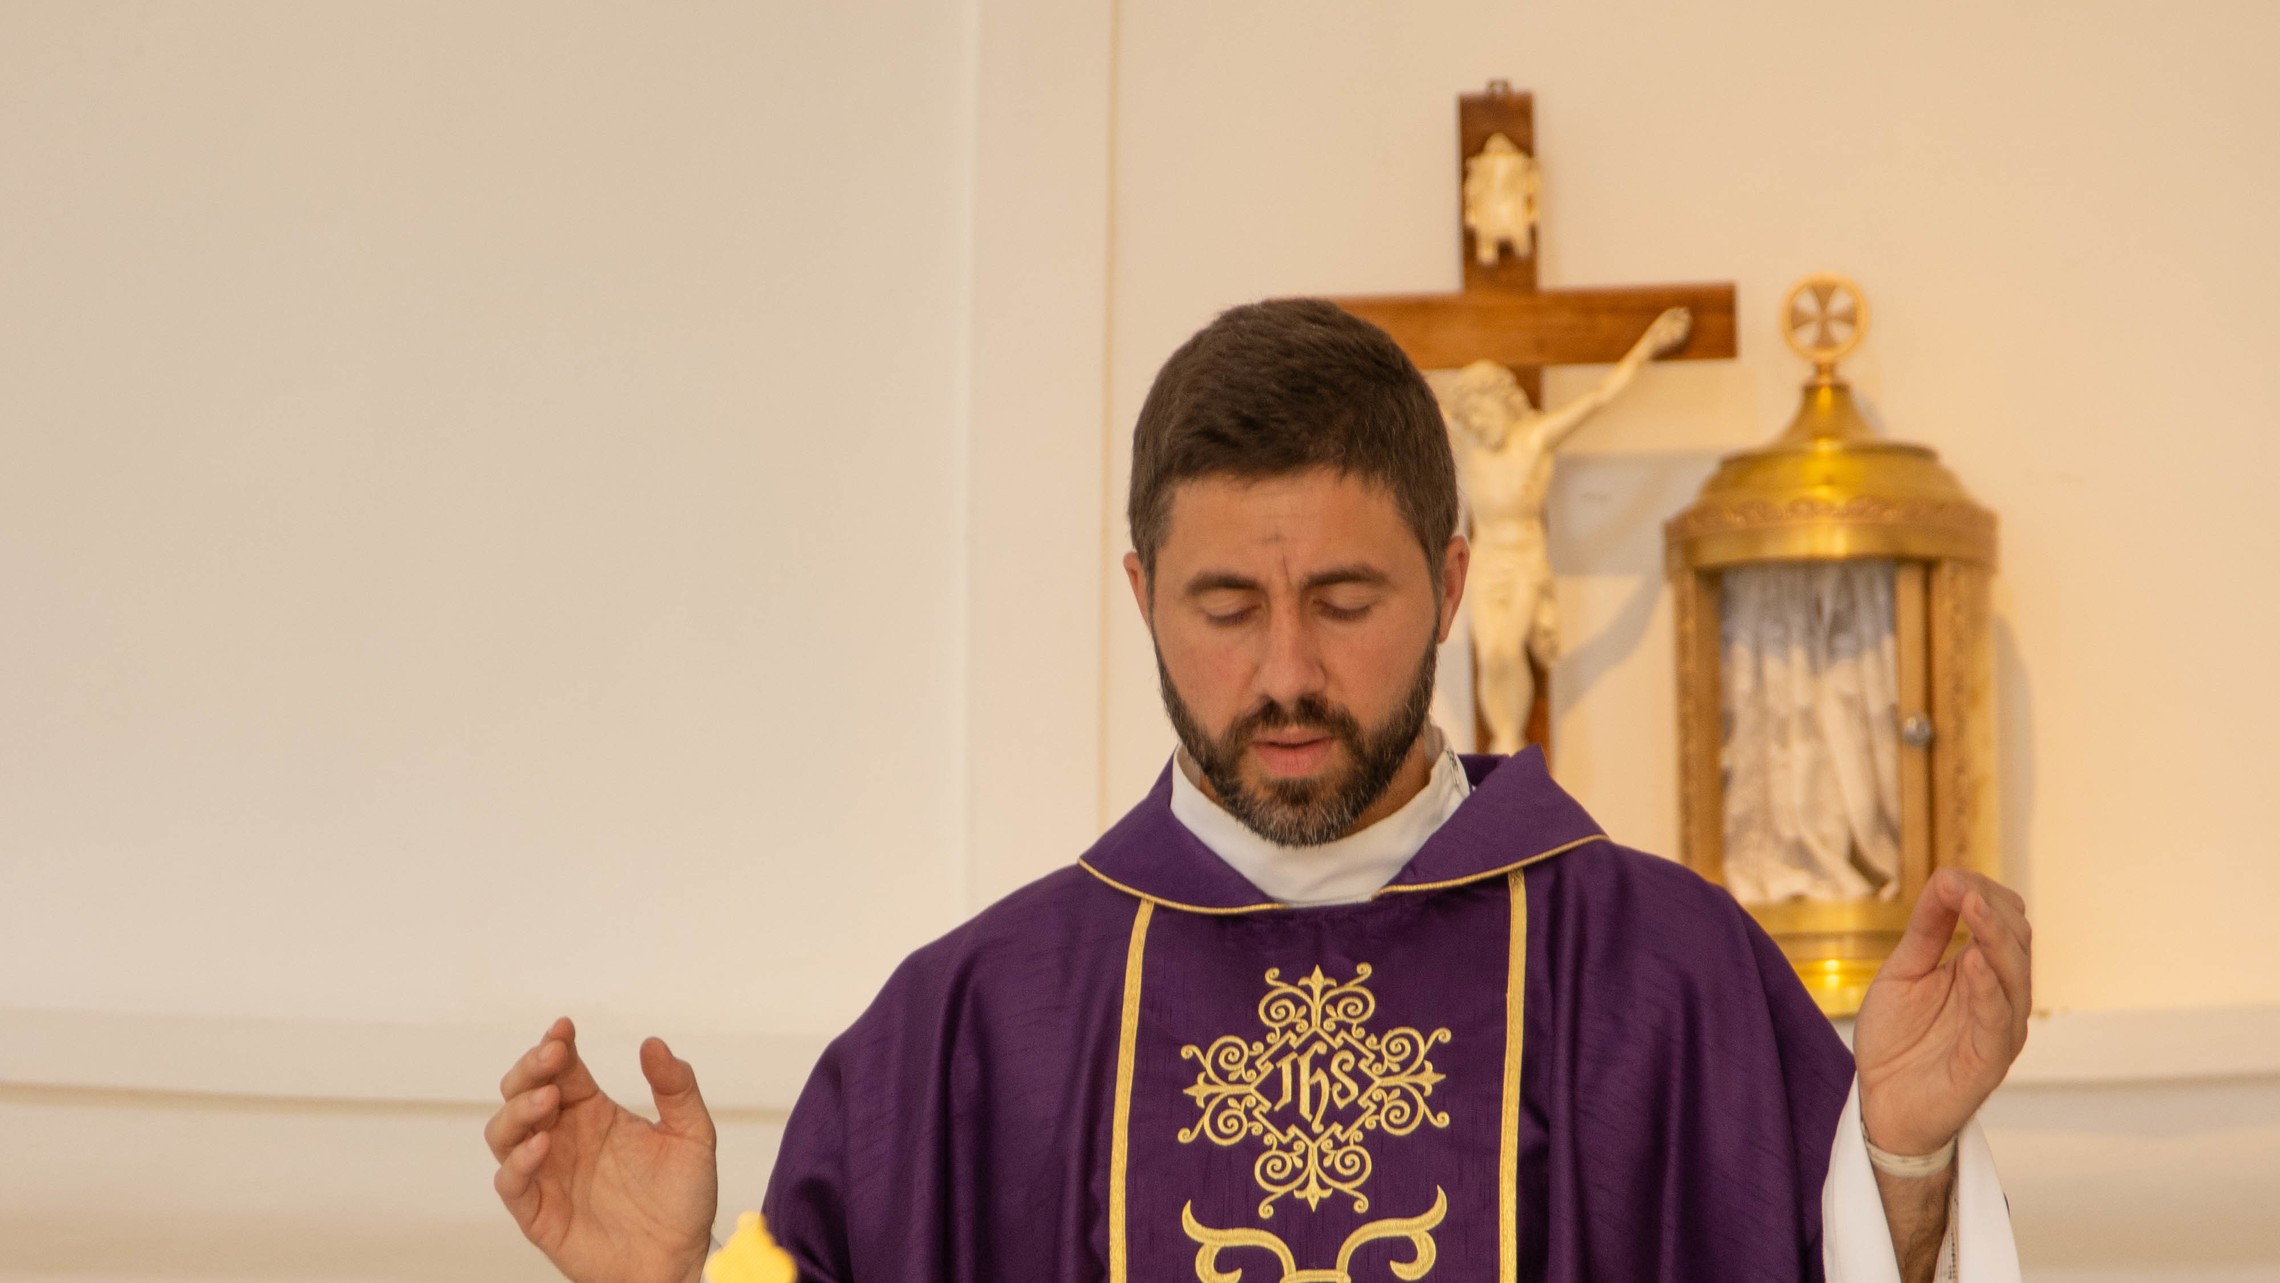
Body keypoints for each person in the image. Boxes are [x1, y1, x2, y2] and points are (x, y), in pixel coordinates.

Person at [485, 299, 2031, 1283]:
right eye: (1227, 607)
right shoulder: (978, 1026)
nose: (1287, 673)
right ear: (1142, 596)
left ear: (1452, 584)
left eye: (1345, 600)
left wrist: (1901, 1164)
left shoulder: (1662, 978)